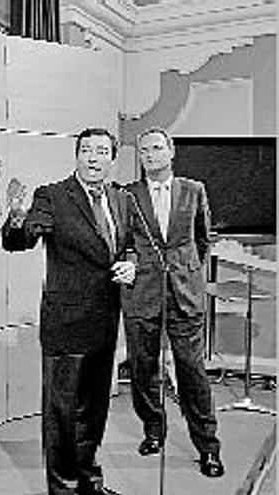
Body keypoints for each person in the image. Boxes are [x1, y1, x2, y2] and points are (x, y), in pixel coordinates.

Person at [3, 128, 135, 495]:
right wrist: (17, 217)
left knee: (94, 413)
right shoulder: (53, 196)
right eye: (87, 151)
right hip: (66, 323)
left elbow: (129, 245)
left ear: (113, 158)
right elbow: (23, 238)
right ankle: (63, 489)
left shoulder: (120, 199)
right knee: (62, 416)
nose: (94, 158)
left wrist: (132, 264)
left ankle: (90, 483)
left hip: (105, 321)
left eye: (102, 151)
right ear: (77, 155)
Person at [121, 127, 223, 477]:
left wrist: (187, 272)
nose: (149, 154)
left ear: (171, 150)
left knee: (192, 372)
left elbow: (203, 239)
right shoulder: (128, 195)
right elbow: (124, 243)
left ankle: (208, 447)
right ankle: (153, 430)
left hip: (185, 294)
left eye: (156, 148)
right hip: (142, 294)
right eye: (143, 150)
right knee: (142, 368)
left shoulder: (194, 190)